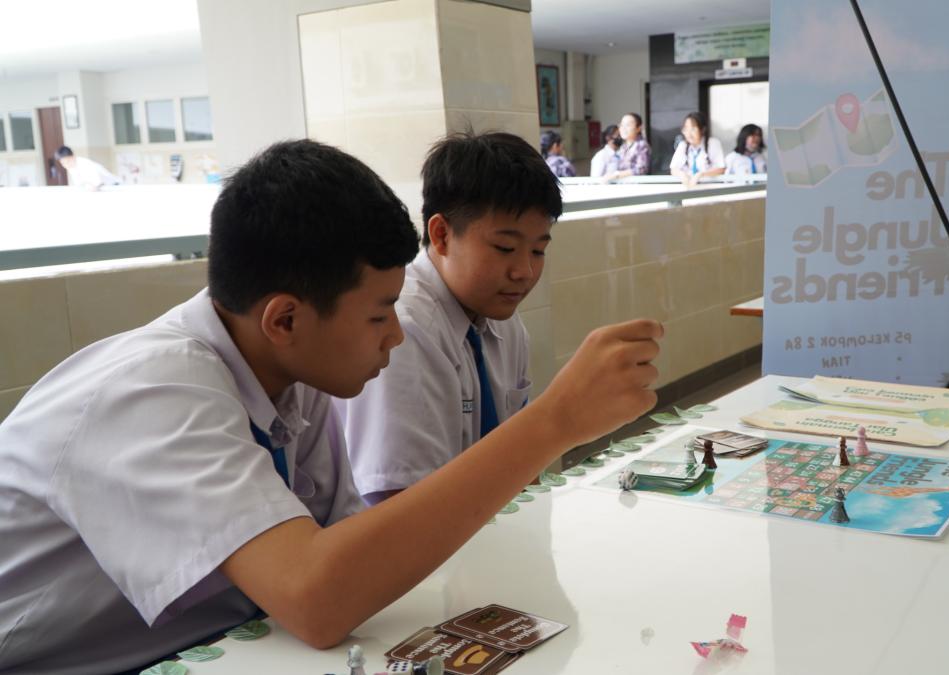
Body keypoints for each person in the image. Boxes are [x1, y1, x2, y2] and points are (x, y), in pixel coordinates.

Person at [0, 139, 662, 674]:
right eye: (379, 314)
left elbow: (351, 562)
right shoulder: (153, 392)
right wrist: (553, 422)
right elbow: (316, 599)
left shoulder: (293, 378)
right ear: (285, 319)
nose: (396, 335)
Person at [342, 131, 558, 503]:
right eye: (505, 247)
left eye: (538, 251)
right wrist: (561, 416)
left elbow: (522, 467)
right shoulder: (402, 331)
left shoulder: (503, 321)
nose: (524, 271)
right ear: (441, 234)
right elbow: (400, 505)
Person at [669, 112, 724, 187]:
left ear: (702, 129)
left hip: (710, 187)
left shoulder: (712, 143)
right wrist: (681, 174)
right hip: (688, 187)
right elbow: (673, 169)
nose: (689, 134)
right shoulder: (683, 145)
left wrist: (701, 175)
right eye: (686, 129)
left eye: (693, 129)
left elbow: (721, 168)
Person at [53, 145, 120, 190]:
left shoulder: (85, 164)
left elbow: (96, 184)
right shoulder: (71, 167)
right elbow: (80, 185)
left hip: (115, 186)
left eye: (68, 161)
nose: (66, 165)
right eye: (63, 163)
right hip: (102, 188)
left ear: (73, 156)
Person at [607, 112, 650, 179]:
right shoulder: (624, 146)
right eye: (622, 125)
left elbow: (642, 168)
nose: (623, 128)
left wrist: (617, 175)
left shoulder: (641, 145)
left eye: (628, 125)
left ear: (638, 128)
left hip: (636, 185)